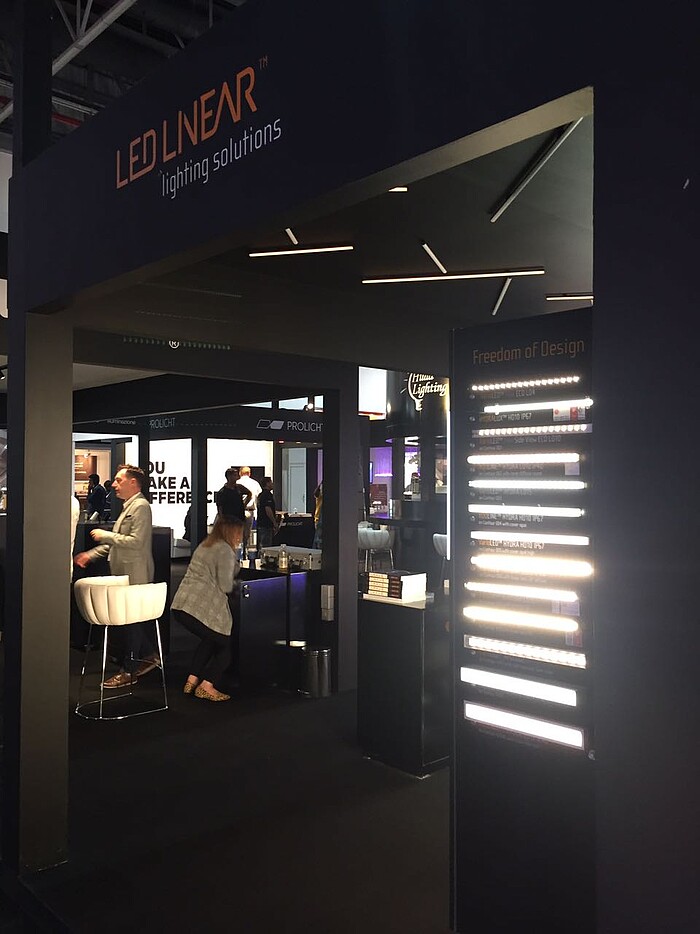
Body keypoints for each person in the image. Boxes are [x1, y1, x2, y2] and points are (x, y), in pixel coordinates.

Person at [74, 465, 158, 688]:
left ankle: (130, 670)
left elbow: (136, 542)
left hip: (135, 574)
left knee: (131, 621)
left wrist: (106, 535)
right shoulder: (129, 506)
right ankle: (148, 657)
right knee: (130, 621)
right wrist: (90, 555)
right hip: (124, 574)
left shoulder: (141, 507)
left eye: (119, 480)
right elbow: (117, 542)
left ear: (133, 483)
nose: (113, 485)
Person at [171, 515, 244, 702]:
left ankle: (191, 681)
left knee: (210, 639)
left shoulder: (205, 545)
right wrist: (237, 571)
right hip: (202, 608)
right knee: (225, 645)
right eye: (238, 533)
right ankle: (207, 686)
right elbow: (226, 585)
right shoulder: (225, 550)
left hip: (182, 605)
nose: (240, 537)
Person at [236, 466, 262, 558]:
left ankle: (238, 554)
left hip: (238, 511)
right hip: (250, 511)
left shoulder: (237, 483)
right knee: (246, 534)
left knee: (237, 532)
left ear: (240, 473)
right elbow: (259, 497)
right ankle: (245, 552)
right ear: (249, 473)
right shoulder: (255, 483)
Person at [256, 477, 280, 549]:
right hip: (266, 524)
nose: (272, 484)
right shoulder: (267, 495)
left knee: (261, 545)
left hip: (260, 523)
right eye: (271, 482)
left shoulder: (260, 495)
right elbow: (268, 509)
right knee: (266, 546)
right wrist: (274, 522)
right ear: (267, 484)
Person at [313, 481, 323, 550]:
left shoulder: (319, 494)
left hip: (318, 518)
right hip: (319, 518)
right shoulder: (320, 494)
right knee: (318, 539)